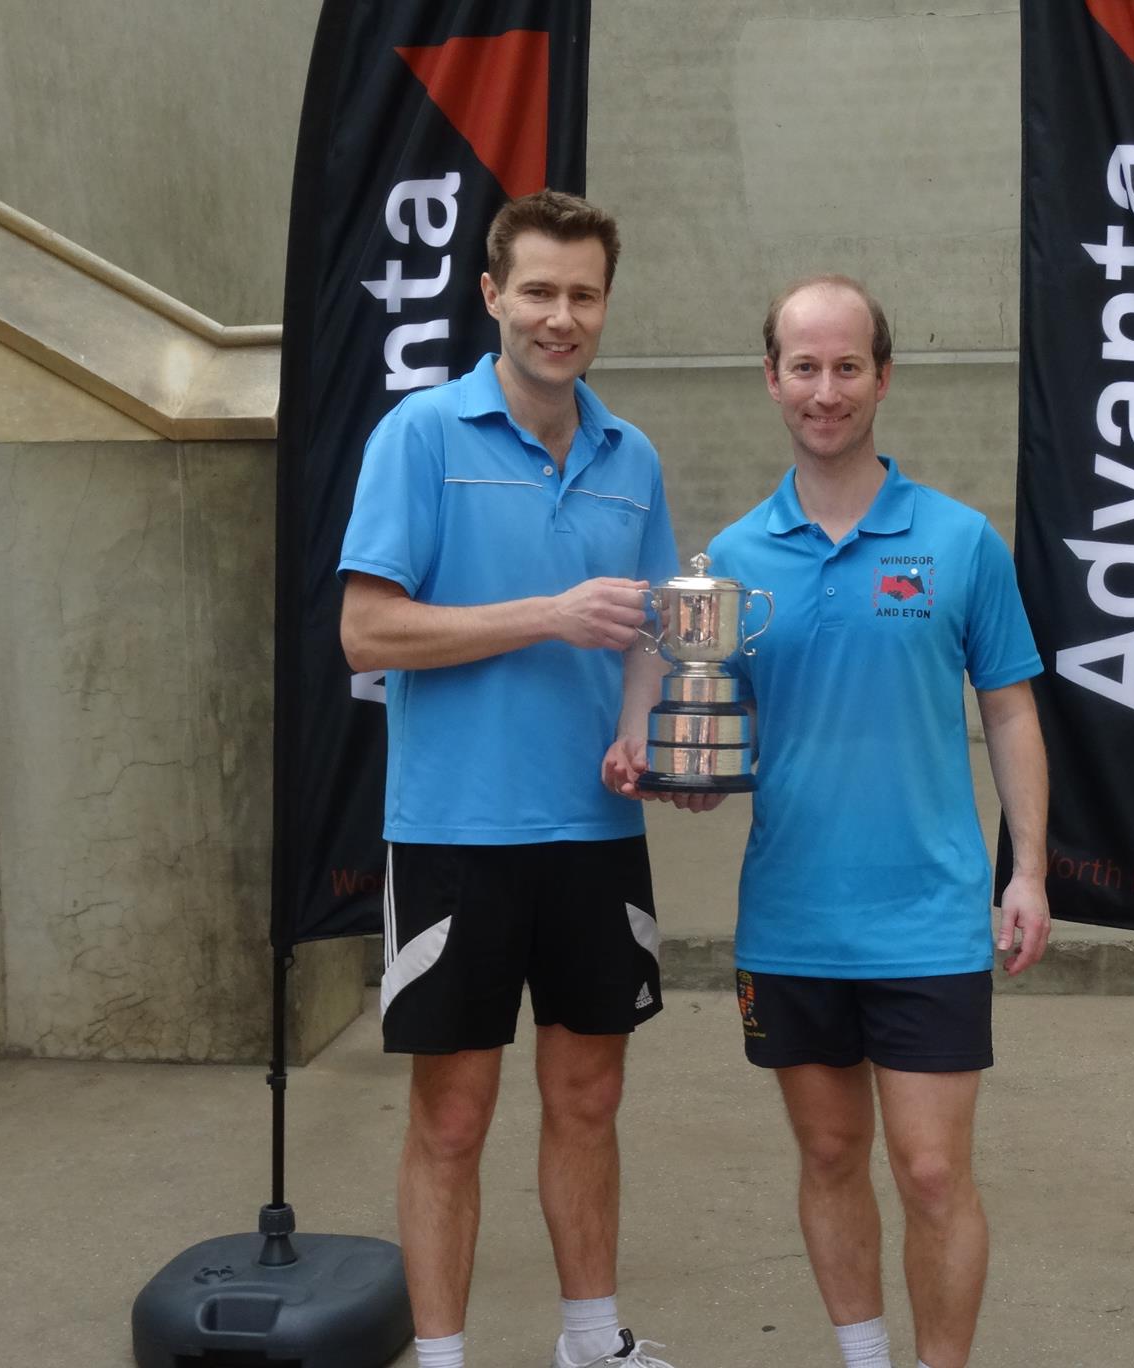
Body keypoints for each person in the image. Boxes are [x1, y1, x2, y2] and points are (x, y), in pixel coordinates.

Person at [605, 275, 1052, 1368]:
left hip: (929, 913)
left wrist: (1029, 870)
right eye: (803, 366)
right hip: (795, 920)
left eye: (847, 365)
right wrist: (693, 771)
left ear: (883, 377)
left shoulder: (957, 541)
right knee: (831, 1157)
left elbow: (1009, 708)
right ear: (771, 380)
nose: (825, 388)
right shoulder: (735, 561)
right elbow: (732, 729)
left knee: (934, 1172)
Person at [339, 190, 681, 1368]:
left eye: (583, 294)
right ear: (491, 295)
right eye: (537, 290)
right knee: (454, 1113)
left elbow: (648, 636)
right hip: (455, 832)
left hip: (595, 831)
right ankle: (442, 1359)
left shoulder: (631, 456)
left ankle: (594, 1341)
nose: (560, 316)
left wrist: (645, 731)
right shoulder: (420, 438)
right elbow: (366, 635)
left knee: (589, 1100)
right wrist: (545, 614)